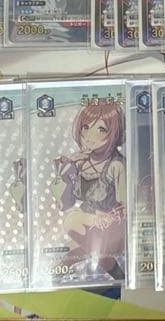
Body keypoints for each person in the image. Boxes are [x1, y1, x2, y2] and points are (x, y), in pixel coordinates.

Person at [51, 99, 126, 281]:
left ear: (114, 133)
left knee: (71, 225)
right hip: (86, 223)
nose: (89, 136)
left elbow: (124, 206)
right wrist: (64, 172)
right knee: (68, 255)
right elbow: (65, 202)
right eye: (85, 127)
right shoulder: (80, 162)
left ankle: (118, 274)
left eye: (101, 129)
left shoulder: (116, 166)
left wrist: (104, 219)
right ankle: (118, 275)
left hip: (110, 227)